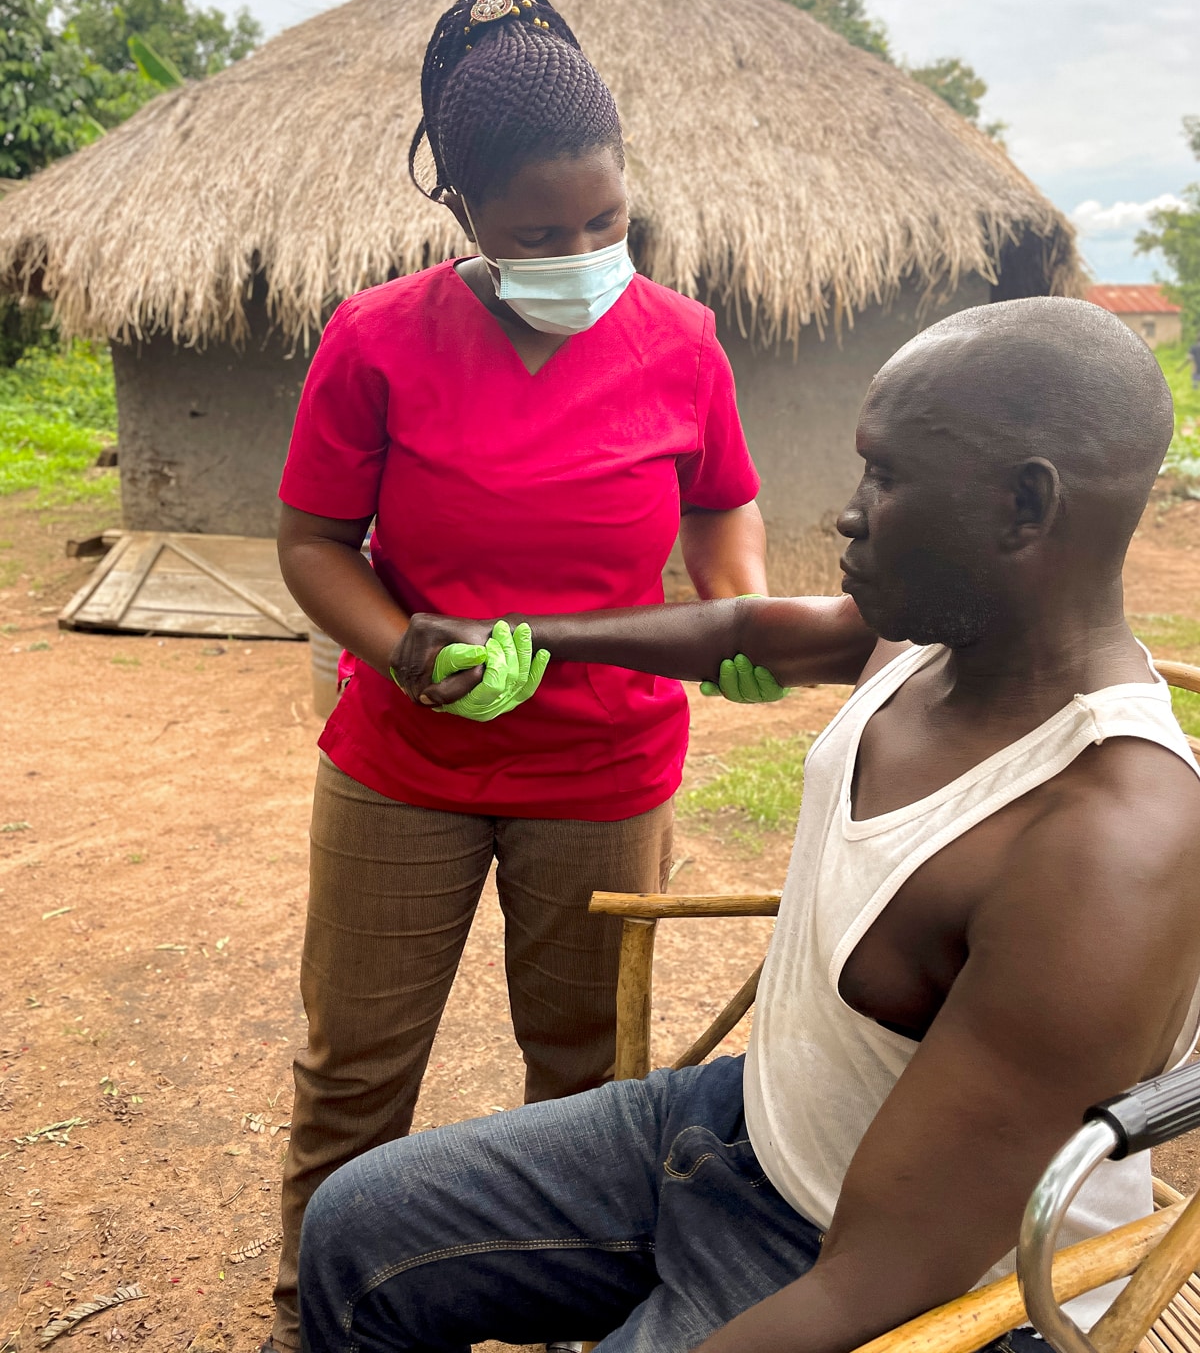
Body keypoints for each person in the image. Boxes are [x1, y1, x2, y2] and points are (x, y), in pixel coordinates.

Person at [300, 296, 1200, 1353]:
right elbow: (745, 626)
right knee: (354, 1232)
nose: (848, 514)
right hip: (752, 1134)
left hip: (907, 1282)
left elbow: (876, 1278)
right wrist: (514, 632)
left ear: (1023, 508)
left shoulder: (1105, 850)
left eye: (887, 477)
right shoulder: (936, 638)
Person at [269, 0, 777, 1352]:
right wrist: (400, 650)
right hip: (405, 763)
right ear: (466, 221)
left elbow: (723, 498)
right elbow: (314, 540)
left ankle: (553, 1310)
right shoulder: (375, 339)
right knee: (357, 1064)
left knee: (582, 1070)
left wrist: (739, 605)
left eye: (605, 222)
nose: (581, 252)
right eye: (538, 233)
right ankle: (317, 1307)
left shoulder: (682, 341)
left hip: (605, 764)